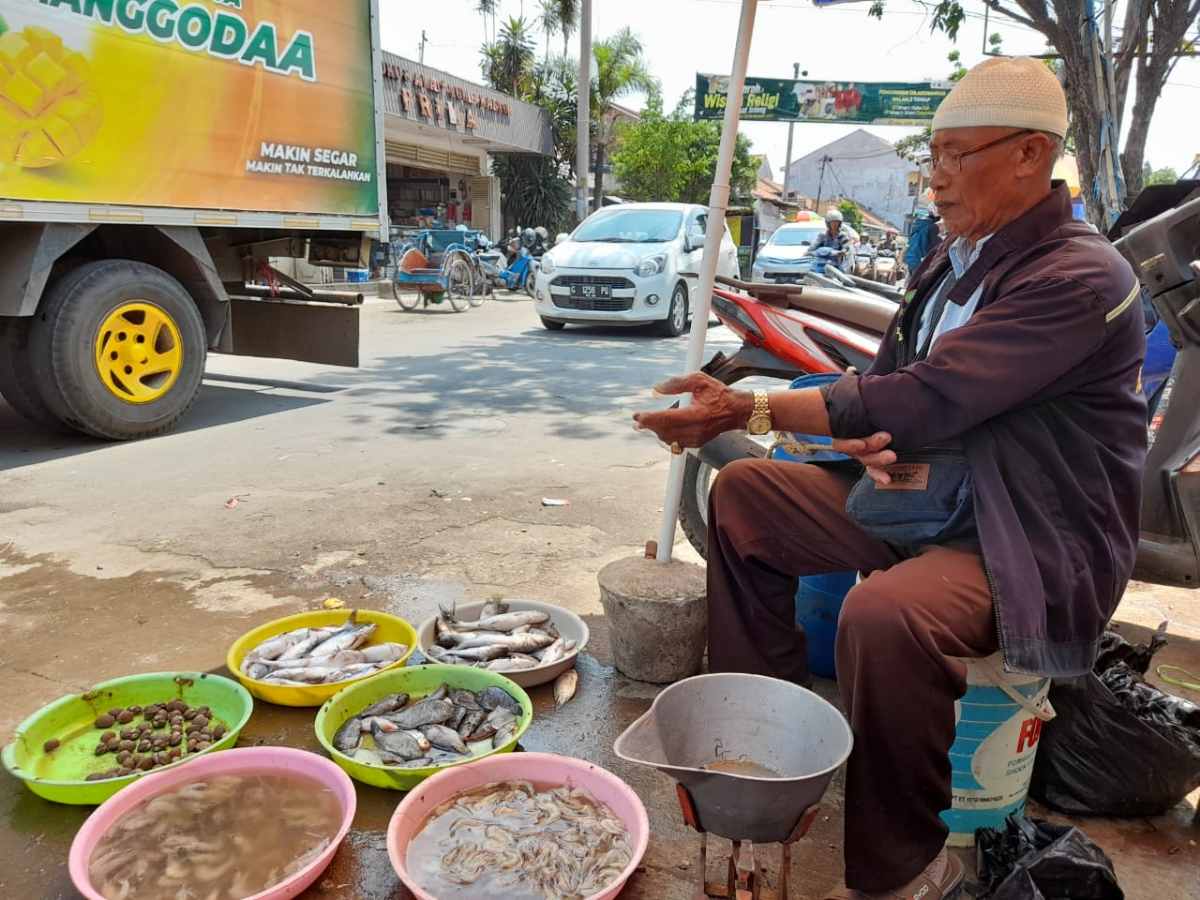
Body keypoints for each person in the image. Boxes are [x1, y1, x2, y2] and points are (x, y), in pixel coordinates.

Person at [633, 57, 1146, 900]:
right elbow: (902, 388)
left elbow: (931, 395)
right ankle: (770, 743)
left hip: (1022, 534)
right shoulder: (959, 256)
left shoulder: (1080, 276)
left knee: (886, 615)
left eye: (955, 154)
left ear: (1029, 155)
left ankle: (904, 866)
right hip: (933, 492)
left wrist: (749, 410)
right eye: (931, 157)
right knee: (746, 500)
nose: (936, 178)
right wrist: (865, 439)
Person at [904, 204, 941, 271]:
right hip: (920, 264)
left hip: (912, 261)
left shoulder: (920, 225)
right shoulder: (932, 228)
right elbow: (935, 248)